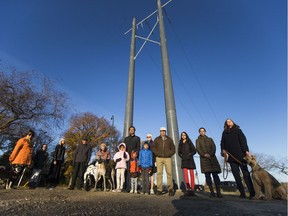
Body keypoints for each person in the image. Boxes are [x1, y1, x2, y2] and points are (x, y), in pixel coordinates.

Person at [220, 118, 255, 199]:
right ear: (226, 123)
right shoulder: (224, 132)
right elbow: (222, 142)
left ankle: (252, 193)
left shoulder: (238, 130)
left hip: (241, 156)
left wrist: (246, 151)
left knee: (246, 175)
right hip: (231, 157)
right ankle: (242, 193)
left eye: (230, 121)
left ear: (233, 122)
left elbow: (243, 141)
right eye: (227, 121)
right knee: (236, 176)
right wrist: (223, 150)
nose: (229, 122)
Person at [196, 127, 223, 198]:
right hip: (204, 160)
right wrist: (204, 154)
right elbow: (198, 149)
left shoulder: (210, 139)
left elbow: (213, 147)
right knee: (207, 176)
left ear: (205, 132)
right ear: (199, 132)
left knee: (215, 176)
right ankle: (212, 192)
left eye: (203, 131)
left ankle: (218, 192)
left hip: (212, 158)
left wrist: (210, 154)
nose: (202, 132)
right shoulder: (197, 140)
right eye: (200, 131)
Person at [151, 127, 176, 196]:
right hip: (159, 158)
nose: (163, 132)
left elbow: (173, 148)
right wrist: (157, 153)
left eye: (164, 131)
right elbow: (153, 147)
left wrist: (169, 154)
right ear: (160, 132)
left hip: (167, 158)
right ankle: (159, 190)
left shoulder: (169, 139)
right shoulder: (157, 139)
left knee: (169, 173)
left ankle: (170, 189)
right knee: (159, 173)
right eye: (162, 131)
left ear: (165, 132)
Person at [178, 131, 197, 196]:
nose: (183, 136)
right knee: (185, 174)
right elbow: (179, 152)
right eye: (182, 135)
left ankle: (192, 189)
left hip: (190, 159)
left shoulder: (189, 142)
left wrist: (190, 154)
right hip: (184, 160)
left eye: (184, 135)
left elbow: (194, 150)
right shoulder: (180, 143)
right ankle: (188, 188)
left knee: (192, 174)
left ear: (186, 136)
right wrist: (182, 156)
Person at [123, 126, 141, 192]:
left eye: (133, 129)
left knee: (134, 173)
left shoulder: (137, 138)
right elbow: (124, 148)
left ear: (134, 130)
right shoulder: (126, 139)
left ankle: (134, 188)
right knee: (127, 172)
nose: (132, 130)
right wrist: (124, 156)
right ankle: (127, 188)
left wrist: (135, 154)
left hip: (134, 158)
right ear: (129, 130)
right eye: (130, 129)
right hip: (127, 158)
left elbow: (138, 147)